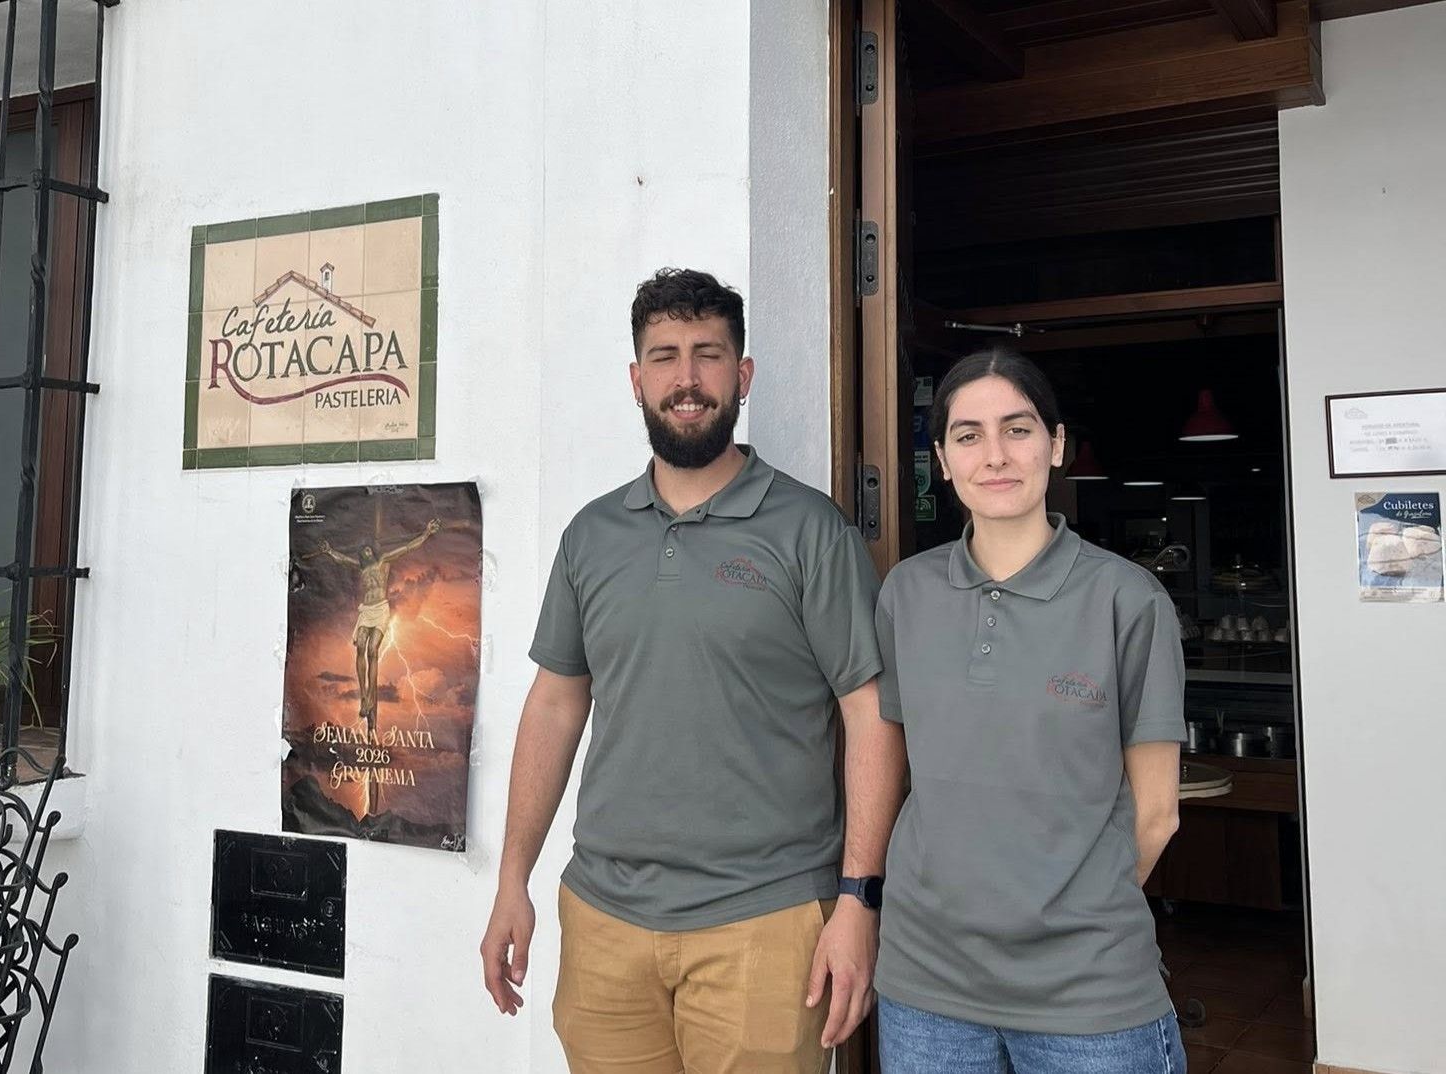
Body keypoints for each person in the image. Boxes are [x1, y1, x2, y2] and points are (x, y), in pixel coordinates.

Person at [479, 268, 905, 1074]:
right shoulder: (590, 537)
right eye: (664, 356)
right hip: (604, 920)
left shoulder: (811, 532)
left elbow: (870, 712)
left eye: (708, 355)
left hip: (767, 922)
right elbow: (556, 707)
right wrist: (513, 879)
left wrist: (858, 900)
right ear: (636, 379)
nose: (686, 378)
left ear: (742, 377)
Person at [874, 345, 1188, 1074]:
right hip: (927, 988)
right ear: (943, 462)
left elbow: (1157, 814)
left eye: (1017, 429)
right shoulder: (905, 595)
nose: (995, 455)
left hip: (1090, 996)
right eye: (968, 435)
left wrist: (1061, 915)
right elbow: (891, 770)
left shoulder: (1127, 600)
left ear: (1057, 444)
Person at [314, 518, 441, 722]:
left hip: (381, 609)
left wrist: (426, 533)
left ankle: (370, 698)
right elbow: (342, 560)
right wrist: (329, 551)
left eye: (368, 550)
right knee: (360, 647)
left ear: (373, 552)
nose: (366, 552)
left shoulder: (384, 562)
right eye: (363, 551)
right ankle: (364, 695)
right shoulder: (360, 567)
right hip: (366, 610)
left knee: (373, 650)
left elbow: (407, 548)